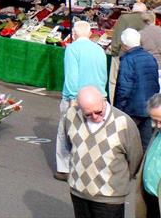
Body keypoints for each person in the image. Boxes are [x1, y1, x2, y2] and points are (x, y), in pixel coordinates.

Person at [64, 85, 143, 218]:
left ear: (104, 101)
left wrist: (117, 181)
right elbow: (69, 145)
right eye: (88, 114)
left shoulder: (123, 122)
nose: (94, 117)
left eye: (98, 112)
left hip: (110, 199)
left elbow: (135, 159)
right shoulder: (71, 116)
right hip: (78, 192)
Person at [56, 21, 109, 181]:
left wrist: (72, 98)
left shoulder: (72, 49)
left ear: (74, 34)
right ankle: (90, 167)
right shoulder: (99, 49)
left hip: (78, 97)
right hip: (97, 97)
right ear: (90, 34)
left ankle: (64, 169)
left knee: (65, 132)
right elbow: (103, 75)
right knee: (92, 133)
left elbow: (71, 76)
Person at [115, 28, 160, 150]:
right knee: (146, 143)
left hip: (132, 108)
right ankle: (143, 167)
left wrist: (119, 109)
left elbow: (124, 88)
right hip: (148, 106)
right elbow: (155, 84)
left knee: (126, 142)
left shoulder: (127, 60)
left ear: (124, 44)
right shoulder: (150, 58)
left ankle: (131, 167)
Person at [113, 3, 151, 101]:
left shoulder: (124, 18)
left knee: (122, 83)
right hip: (145, 55)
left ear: (133, 10)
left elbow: (117, 39)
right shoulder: (148, 19)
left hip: (125, 54)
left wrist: (114, 51)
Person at [139, 94, 161, 218]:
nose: (157, 126)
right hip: (150, 198)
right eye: (154, 120)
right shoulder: (157, 132)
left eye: (160, 121)